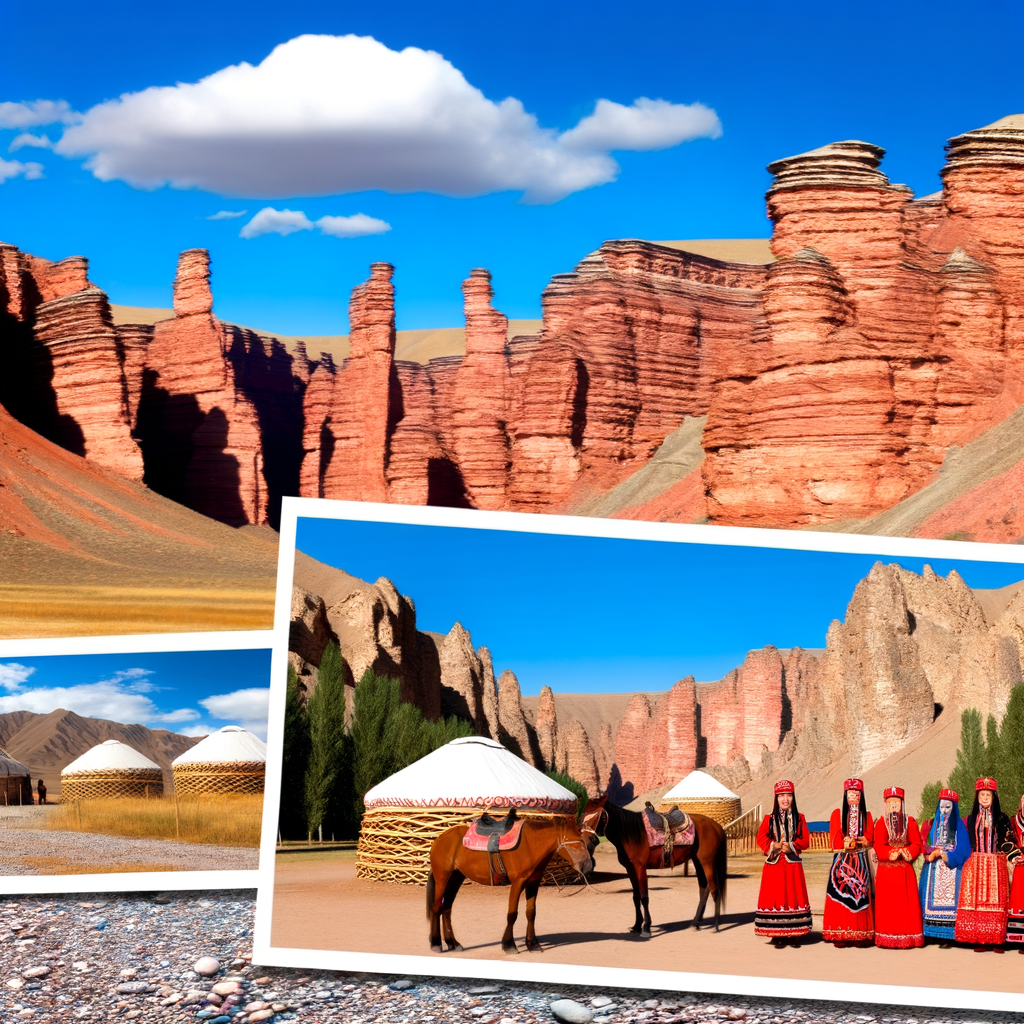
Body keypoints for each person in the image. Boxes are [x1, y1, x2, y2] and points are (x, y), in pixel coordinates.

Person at [955, 777, 1012, 951]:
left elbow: (1007, 838)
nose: (985, 798)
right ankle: (980, 939)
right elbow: (966, 839)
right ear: (977, 797)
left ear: (994, 796)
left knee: (997, 902)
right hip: (977, 862)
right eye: (982, 795)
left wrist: (1007, 849)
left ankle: (998, 939)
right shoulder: (971, 818)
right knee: (978, 903)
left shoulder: (1001, 818)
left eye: (988, 794)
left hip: (996, 862)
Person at [754, 779, 812, 945]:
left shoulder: (800, 818)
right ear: (776, 798)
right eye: (781, 796)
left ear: (793, 797)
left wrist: (791, 846)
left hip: (792, 864)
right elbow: (761, 838)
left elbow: (805, 840)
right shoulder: (769, 819)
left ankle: (794, 933)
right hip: (775, 865)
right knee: (776, 898)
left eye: (788, 795)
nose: (785, 799)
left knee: (792, 896)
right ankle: (777, 933)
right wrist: (774, 846)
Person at [822, 778, 874, 946]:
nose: (853, 796)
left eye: (856, 792)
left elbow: (870, 838)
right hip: (842, 861)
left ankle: (860, 933)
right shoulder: (837, 814)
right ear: (845, 795)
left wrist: (864, 841)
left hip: (859, 860)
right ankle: (840, 933)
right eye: (850, 793)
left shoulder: (867, 816)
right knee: (840, 895)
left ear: (862, 795)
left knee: (859, 896)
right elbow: (834, 839)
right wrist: (843, 842)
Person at [873, 786, 924, 948]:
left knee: (905, 905)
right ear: (886, 804)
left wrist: (907, 852)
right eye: (891, 803)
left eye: (897, 802)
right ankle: (888, 937)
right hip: (887, 870)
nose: (894, 806)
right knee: (889, 905)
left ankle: (908, 937)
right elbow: (878, 845)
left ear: (902, 803)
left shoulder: (911, 822)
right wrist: (890, 853)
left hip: (904, 870)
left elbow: (917, 843)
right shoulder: (881, 823)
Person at [918, 788, 970, 944]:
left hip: (951, 869)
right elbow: (925, 844)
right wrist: (930, 853)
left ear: (954, 807)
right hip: (934, 868)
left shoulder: (959, 825)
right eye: (942, 806)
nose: (944, 810)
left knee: (951, 901)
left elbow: (964, 848)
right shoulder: (932, 824)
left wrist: (949, 855)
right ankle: (930, 932)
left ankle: (948, 935)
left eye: (948, 807)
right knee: (928, 898)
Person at [1008, 792, 1024, 950]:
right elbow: (1008, 841)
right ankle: (1018, 939)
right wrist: (1015, 856)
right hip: (1019, 867)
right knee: (1018, 900)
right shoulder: (1013, 822)